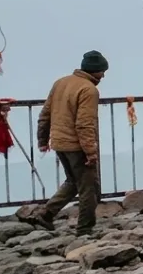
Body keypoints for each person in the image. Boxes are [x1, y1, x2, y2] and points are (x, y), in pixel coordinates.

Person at [21, 51, 108, 235]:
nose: (104, 75)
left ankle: (46, 214)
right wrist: (90, 152)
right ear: (95, 70)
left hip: (60, 143)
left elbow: (45, 114)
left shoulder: (61, 83)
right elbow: (84, 124)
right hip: (77, 146)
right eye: (102, 71)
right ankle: (85, 229)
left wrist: (42, 139)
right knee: (88, 187)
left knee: (72, 182)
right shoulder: (89, 90)